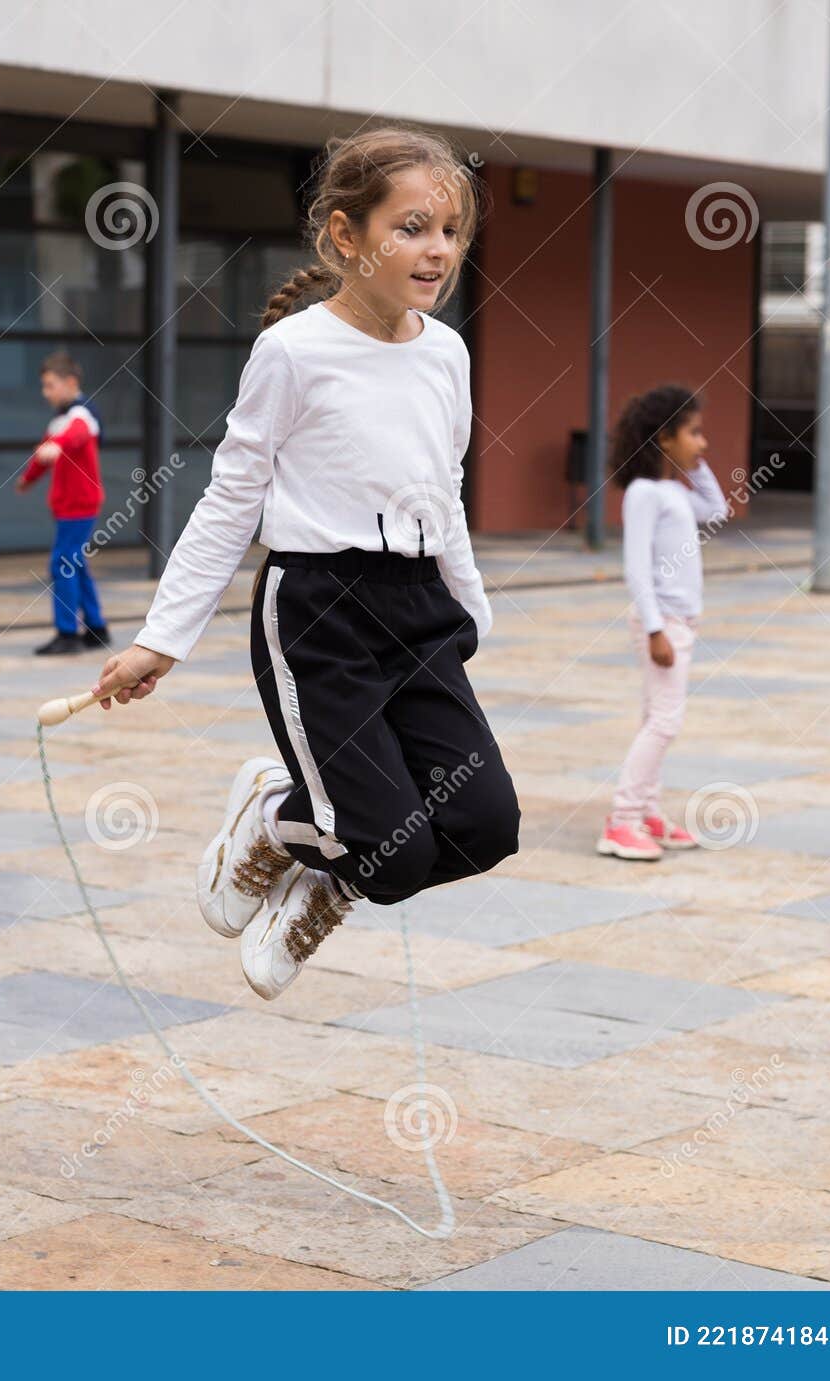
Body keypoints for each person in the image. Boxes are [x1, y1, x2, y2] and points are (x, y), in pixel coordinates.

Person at [88, 126, 520, 1001]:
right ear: (345, 235)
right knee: (389, 845)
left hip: (419, 608)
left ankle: (312, 851)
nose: (436, 250)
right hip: (319, 610)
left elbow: (445, 488)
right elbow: (229, 500)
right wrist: (160, 640)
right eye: (410, 228)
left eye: (449, 229)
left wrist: (469, 608)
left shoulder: (446, 353)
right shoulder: (293, 353)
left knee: (482, 825)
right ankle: (278, 818)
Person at [597, 387, 731, 861]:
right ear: (663, 438)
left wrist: (694, 464)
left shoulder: (674, 490)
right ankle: (623, 820)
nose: (703, 442)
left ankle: (648, 812)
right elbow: (636, 567)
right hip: (664, 625)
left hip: (680, 622)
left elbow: (716, 509)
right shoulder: (643, 494)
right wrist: (655, 629)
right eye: (693, 433)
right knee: (665, 722)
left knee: (655, 717)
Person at [16, 351, 110, 655]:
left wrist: (56, 447)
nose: (46, 392)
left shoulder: (82, 414)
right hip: (69, 505)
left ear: (70, 382)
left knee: (62, 563)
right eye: (44, 386)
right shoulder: (60, 419)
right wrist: (28, 479)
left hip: (80, 504)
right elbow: (45, 452)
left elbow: (76, 435)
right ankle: (96, 628)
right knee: (75, 563)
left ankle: (67, 633)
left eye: (50, 385)